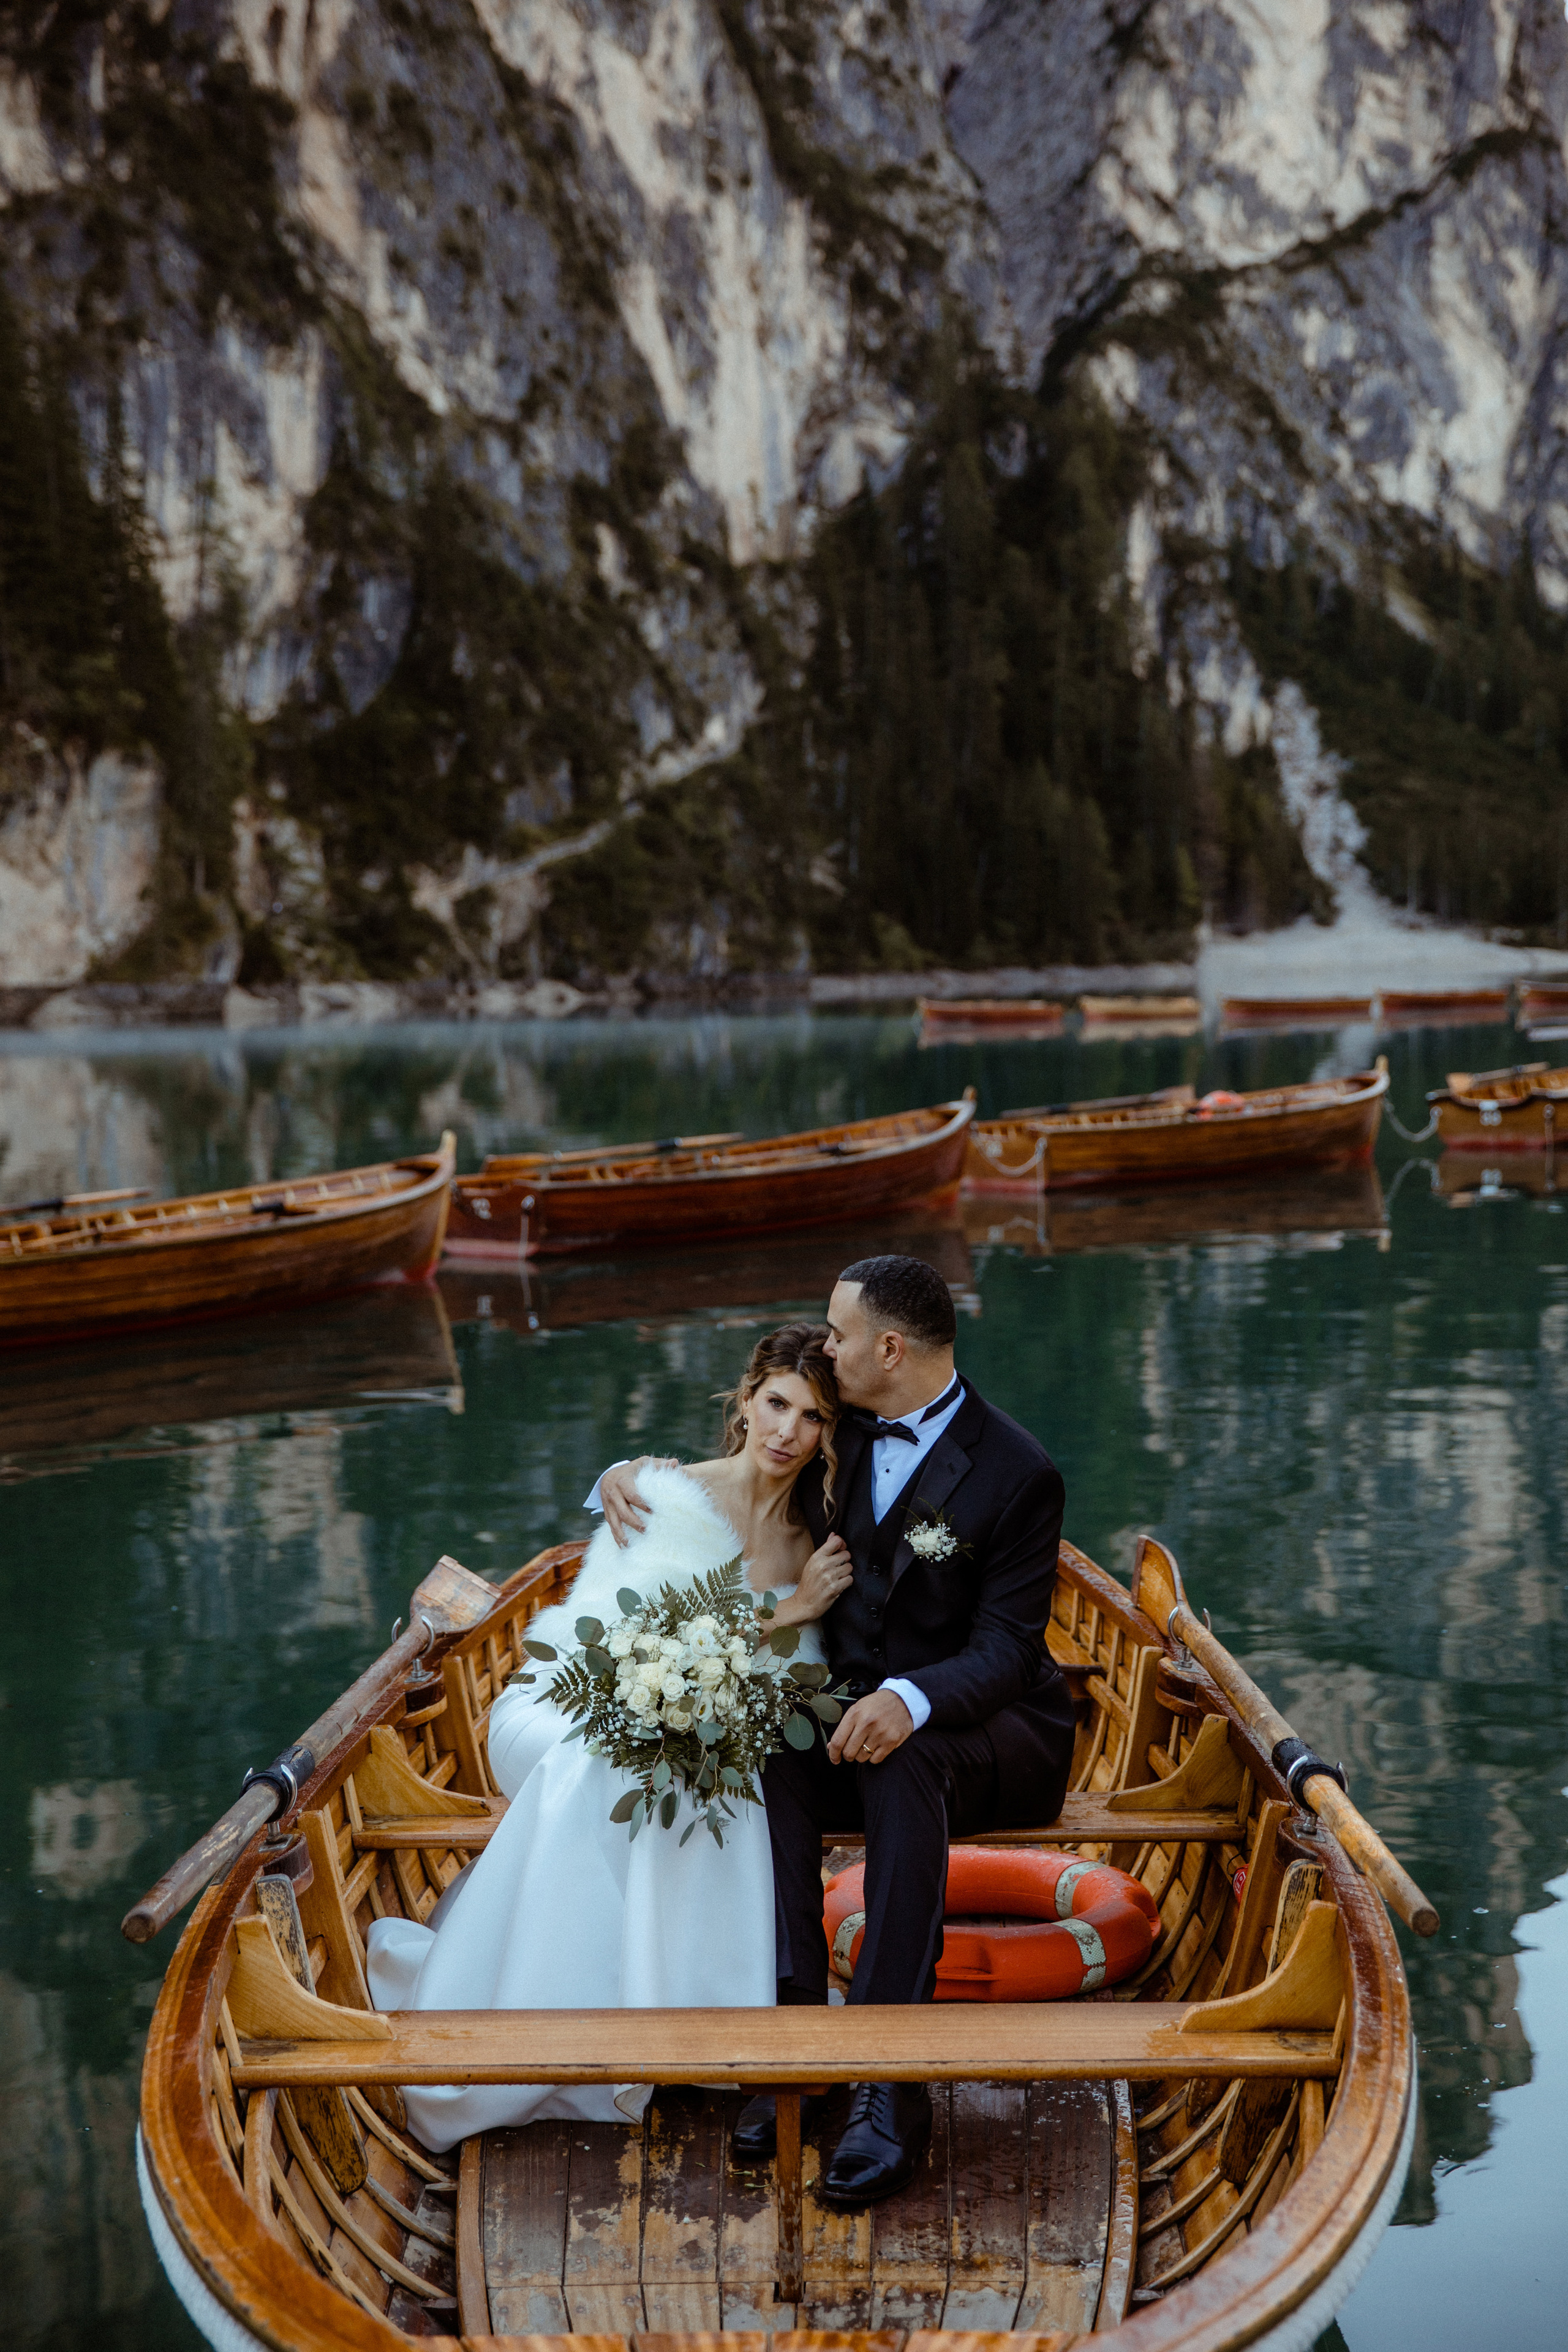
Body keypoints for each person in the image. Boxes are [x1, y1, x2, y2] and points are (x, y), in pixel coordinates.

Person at [595, 1253, 1074, 2208]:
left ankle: (888, 2086)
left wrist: (910, 1698)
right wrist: (622, 1472)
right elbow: (739, 1471)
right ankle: (797, 2045)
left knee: (907, 1751)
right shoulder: (838, 1428)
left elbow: (1012, 1650)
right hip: (849, 1710)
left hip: (996, 1733)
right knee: (773, 1739)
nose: (826, 1344)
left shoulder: (1020, 1473)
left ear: (890, 1349)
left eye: (841, 1332)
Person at [364, 1322, 850, 2151]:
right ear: (745, 1398)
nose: (785, 1432)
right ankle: (562, 2031)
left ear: (829, 1435)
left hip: (698, 1717)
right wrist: (790, 1609)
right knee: (606, 1766)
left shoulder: (815, 1540)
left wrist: (771, 1643)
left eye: (811, 1418)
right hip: (570, 1701)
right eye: (776, 1403)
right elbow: (636, 1644)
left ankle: (681, 2020)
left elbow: (776, 1682)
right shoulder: (663, 1495)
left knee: (719, 1781)